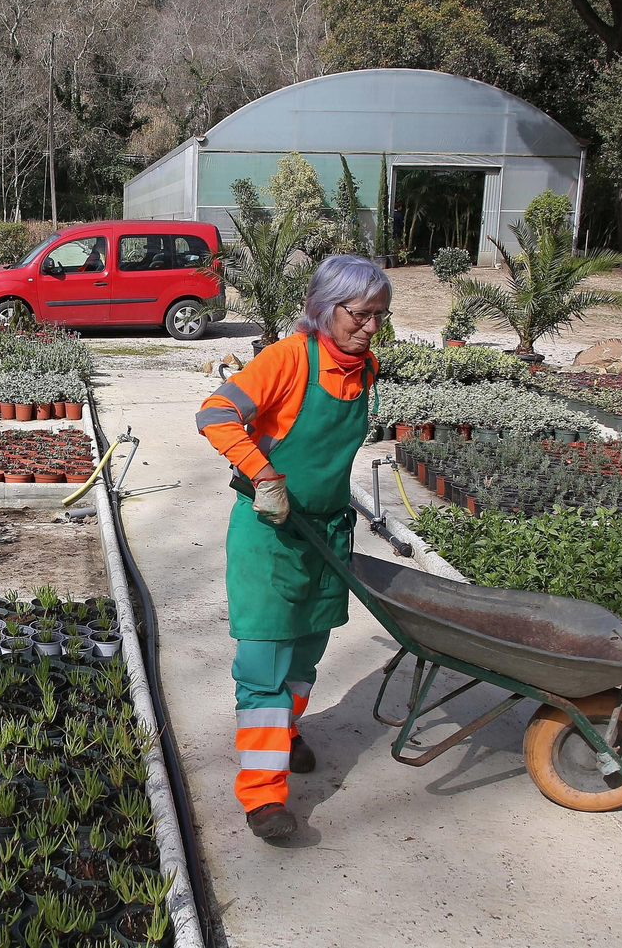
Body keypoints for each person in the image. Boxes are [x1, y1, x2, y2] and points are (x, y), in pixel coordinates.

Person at [195, 253, 391, 841]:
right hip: (271, 536)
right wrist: (263, 474)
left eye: (381, 315)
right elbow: (215, 413)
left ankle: (283, 731)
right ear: (326, 309)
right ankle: (262, 797)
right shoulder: (288, 359)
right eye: (360, 314)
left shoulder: (366, 368)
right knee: (263, 667)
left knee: (305, 659)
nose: (371, 327)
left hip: (325, 534)